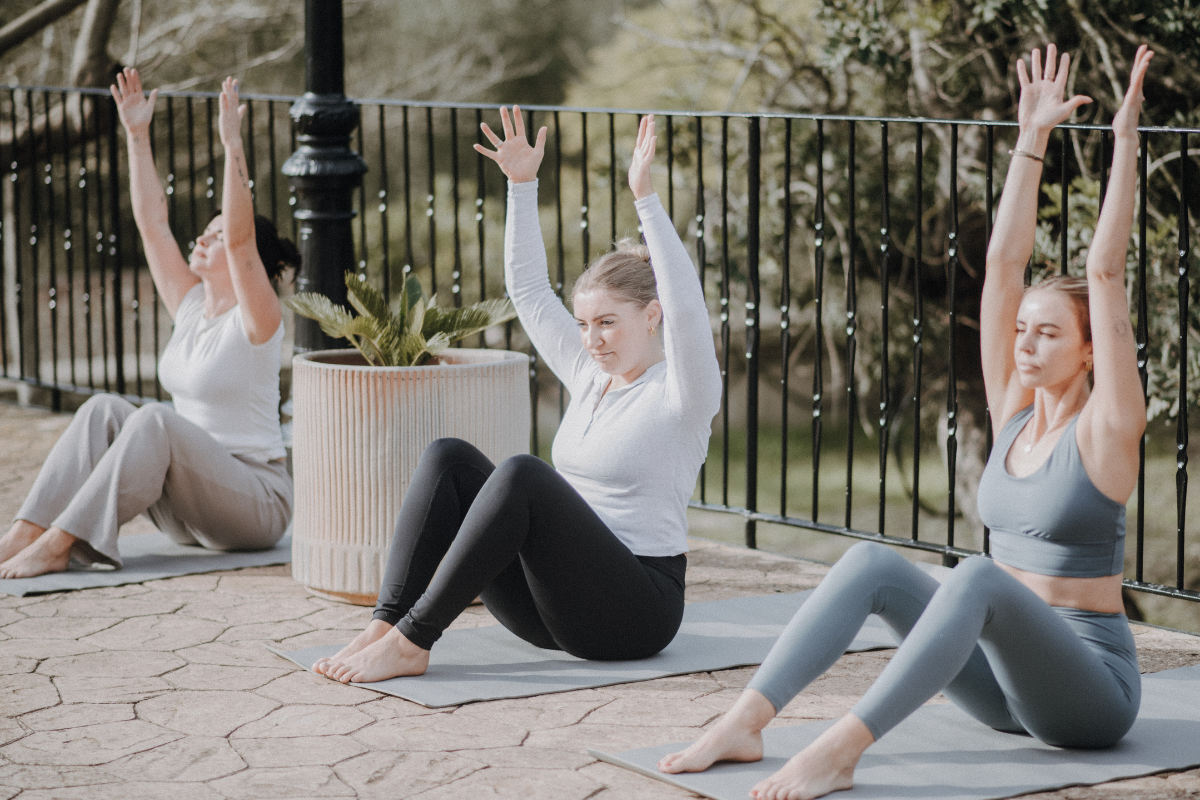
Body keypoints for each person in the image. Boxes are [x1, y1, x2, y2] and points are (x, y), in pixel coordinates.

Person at [656, 43, 1153, 800]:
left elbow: (1107, 271)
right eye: (1022, 329)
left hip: (1087, 694)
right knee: (871, 563)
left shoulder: (1108, 431)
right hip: (1005, 690)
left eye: (1049, 334)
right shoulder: (1014, 410)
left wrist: (1122, 146)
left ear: (1090, 353)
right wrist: (1031, 141)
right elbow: (1003, 267)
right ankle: (746, 718)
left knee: (977, 577)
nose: (1025, 342)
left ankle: (842, 748)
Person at [313, 108, 722, 683]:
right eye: (584, 325)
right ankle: (387, 624)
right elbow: (528, 291)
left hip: (634, 612)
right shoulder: (590, 375)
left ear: (652, 316)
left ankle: (414, 640)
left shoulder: (683, 394)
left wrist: (645, 198)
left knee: (523, 475)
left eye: (607, 323)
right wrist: (522, 185)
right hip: (551, 608)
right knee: (448, 457)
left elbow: (688, 309)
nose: (591, 339)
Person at [0, 69, 298, 579]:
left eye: (217, 236)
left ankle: (62, 541)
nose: (203, 240)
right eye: (206, 232)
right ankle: (27, 530)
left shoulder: (258, 320)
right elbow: (152, 223)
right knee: (103, 409)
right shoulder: (191, 306)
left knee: (154, 420)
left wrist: (232, 146)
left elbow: (244, 240)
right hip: (187, 510)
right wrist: (136, 136)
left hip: (253, 505)